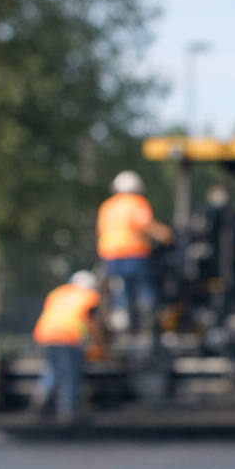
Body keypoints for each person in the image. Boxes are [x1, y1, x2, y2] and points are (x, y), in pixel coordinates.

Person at [97, 170, 173, 331]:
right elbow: (144, 223)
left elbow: (101, 230)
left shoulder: (107, 206)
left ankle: (121, 321)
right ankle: (147, 316)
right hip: (133, 253)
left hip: (109, 256)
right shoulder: (136, 202)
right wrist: (164, 234)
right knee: (143, 286)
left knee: (120, 288)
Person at [32, 270, 103, 425]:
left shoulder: (58, 293)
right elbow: (93, 324)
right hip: (68, 337)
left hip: (44, 334)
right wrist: (99, 342)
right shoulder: (90, 296)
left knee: (53, 368)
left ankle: (41, 394)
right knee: (70, 375)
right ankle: (68, 412)